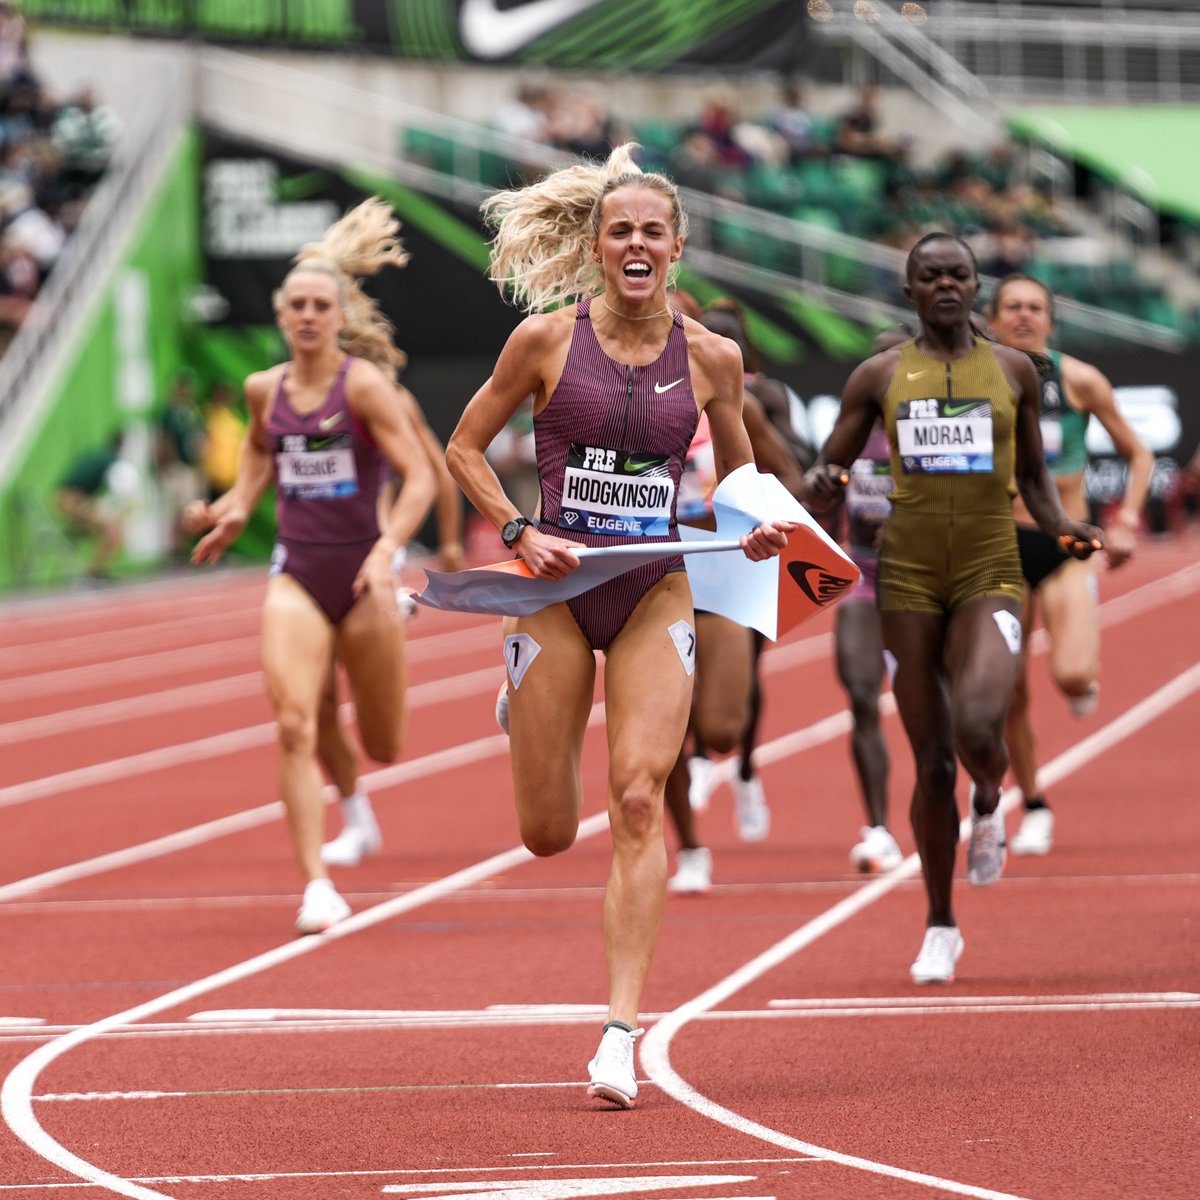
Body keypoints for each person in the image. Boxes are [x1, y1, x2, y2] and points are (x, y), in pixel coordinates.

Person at [445, 144, 791, 1107]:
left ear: (677, 249)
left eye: (653, 232)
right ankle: (521, 691)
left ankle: (618, 1034)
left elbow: (737, 485)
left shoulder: (712, 360)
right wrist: (518, 528)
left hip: (653, 586)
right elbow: (464, 448)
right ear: (598, 248)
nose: (636, 244)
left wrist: (753, 528)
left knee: (640, 799)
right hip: (557, 588)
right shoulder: (545, 344)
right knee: (549, 833)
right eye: (620, 231)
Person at [802, 232, 1101, 986]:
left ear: (975, 287)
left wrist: (1065, 527)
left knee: (977, 723)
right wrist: (823, 483)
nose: (944, 285)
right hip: (905, 577)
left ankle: (994, 797)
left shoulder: (1012, 371)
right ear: (909, 292)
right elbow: (830, 466)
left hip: (989, 567)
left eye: (958, 275)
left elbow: (1034, 475)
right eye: (929, 276)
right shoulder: (877, 375)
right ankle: (940, 921)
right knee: (932, 763)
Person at [184, 197, 436, 936]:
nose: (306, 316)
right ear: (280, 313)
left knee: (384, 742)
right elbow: (263, 448)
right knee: (296, 722)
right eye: (295, 304)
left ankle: (360, 798)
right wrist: (236, 505)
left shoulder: (362, 386)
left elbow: (419, 475)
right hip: (295, 573)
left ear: (338, 314)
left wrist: (389, 551)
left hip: (364, 576)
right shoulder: (264, 389)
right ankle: (317, 885)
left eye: (319, 305)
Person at [988, 273, 1152, 855]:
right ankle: (1033, 804)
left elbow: (1140, 453)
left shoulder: (1080, 379)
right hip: (999, 547)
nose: (1025, 316)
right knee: (1007, 693)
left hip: (1065, 548)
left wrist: (1128, 519)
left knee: (1074, 676)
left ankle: (1083, 677)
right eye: (1013, 307)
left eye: (1036, 307)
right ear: (992, 317)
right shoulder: (976, 379)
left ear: (1052, 319)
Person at [666, 297, 809, 894]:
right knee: (660, 721)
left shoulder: (726, 395)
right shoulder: (599, 395)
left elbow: (789, 477)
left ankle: (740, 769)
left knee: (720, 729)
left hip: (721, 573)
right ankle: (689, 846)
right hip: (648, 574)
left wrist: (759, 521)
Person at [833, 324, 909, 875]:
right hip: (860, 576)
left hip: (923, 579)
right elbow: (813, 481)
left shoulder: (932, 429)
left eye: (895, 361)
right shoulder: (851, 433)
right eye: (875, 362)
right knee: (862, 695)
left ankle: (976, 800)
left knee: (940, 706)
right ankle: (879, 827)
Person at [55, 430, 128, 579]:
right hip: (72, 501)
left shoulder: (97, 454)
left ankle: (91, 564)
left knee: (105, 528)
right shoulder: (110, 460)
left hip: (67, 499)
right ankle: (94, 571)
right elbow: (118, 490)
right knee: (113, 532)